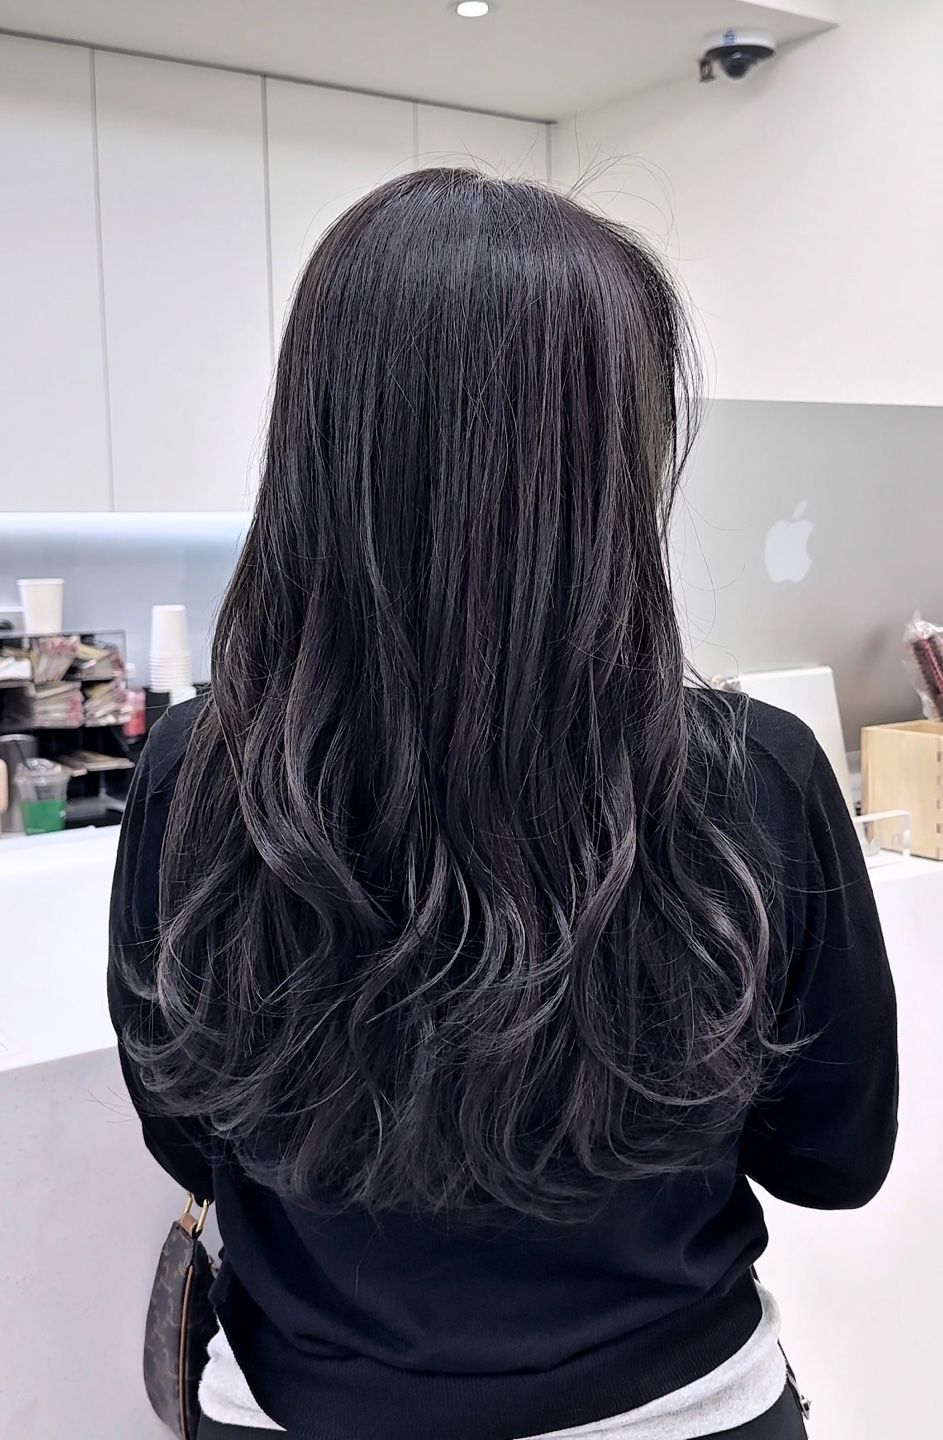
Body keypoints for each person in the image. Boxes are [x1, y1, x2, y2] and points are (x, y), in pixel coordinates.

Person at [108, 168, 897, 1440]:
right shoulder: (757, 774)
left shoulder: (197, 773)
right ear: (609, 461)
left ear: (321, 438)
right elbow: (832, 1163)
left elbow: (189, 1134)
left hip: (298, 1405)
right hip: (680, 1408)